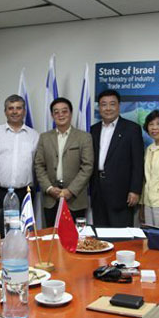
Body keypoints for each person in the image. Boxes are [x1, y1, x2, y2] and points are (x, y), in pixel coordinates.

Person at [34, 97, 93, 227]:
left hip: (75, 199)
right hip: (51, 198)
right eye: (56, 112)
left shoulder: (84, 137)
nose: (60, 115)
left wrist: (70, 191)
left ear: (71, 113)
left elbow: (87, 167)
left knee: (75, 236)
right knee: (51, 236)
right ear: (52, 115)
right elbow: (39, 165)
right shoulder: (44, 137)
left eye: (64, 111)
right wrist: (49, 188)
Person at [90, 90, 143, 227]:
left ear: (119, 106)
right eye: (104, 104)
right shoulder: (93, 130)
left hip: (122, 193)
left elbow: (138, 163)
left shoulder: (132, 129)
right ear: (99, 107)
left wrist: (135, 190)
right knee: (100, 232)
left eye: (112, 104)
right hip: (98, 191)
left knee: (121, 234)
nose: (108, 108)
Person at [0, 94, 39, 213]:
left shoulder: (35, 136)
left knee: (24, 225)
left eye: (18, 108)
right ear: (5, 112)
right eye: (10, 108)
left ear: (24, 111)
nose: (14, 112)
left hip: (25, 194)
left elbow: (39, 165)